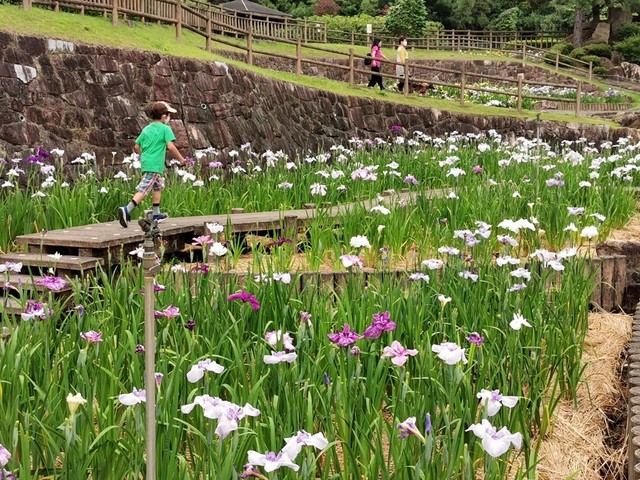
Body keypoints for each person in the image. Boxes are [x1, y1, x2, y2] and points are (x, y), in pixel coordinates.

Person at [117, 101, 186, 228]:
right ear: (164, 116)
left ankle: (156, 213)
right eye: (168, 114)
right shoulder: (166, 129)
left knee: (157, 186)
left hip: (148, 162)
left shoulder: (146, 129)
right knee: (144, 188)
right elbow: (170, 146)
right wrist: (181, 159)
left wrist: (144, 156)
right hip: (154, 165)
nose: (169, 117)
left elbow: (137, 146)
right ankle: (127, 209)